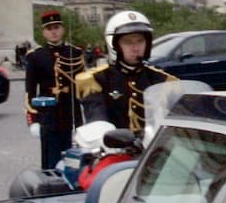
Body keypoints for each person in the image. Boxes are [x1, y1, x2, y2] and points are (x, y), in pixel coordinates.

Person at [75, 11, 178, 132]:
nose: (136, 48)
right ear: (114, 45)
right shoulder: (98, 80)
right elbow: (97, 117)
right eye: (128, 42)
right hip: (115, 148)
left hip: (154, 147)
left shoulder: (161, 80)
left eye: (140, 41)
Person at [23, 10, 87, 170]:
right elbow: (30, 91)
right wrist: (33, 120)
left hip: (70, 113)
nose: (53, 32)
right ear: (44, 32)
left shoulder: (75, 53)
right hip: (48, 116)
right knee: (50, 161)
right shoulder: (36, 56)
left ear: (62, 29)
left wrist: (82, 120)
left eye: (56, 27)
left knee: (73, 159)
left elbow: (83, 87)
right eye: (49, 29)